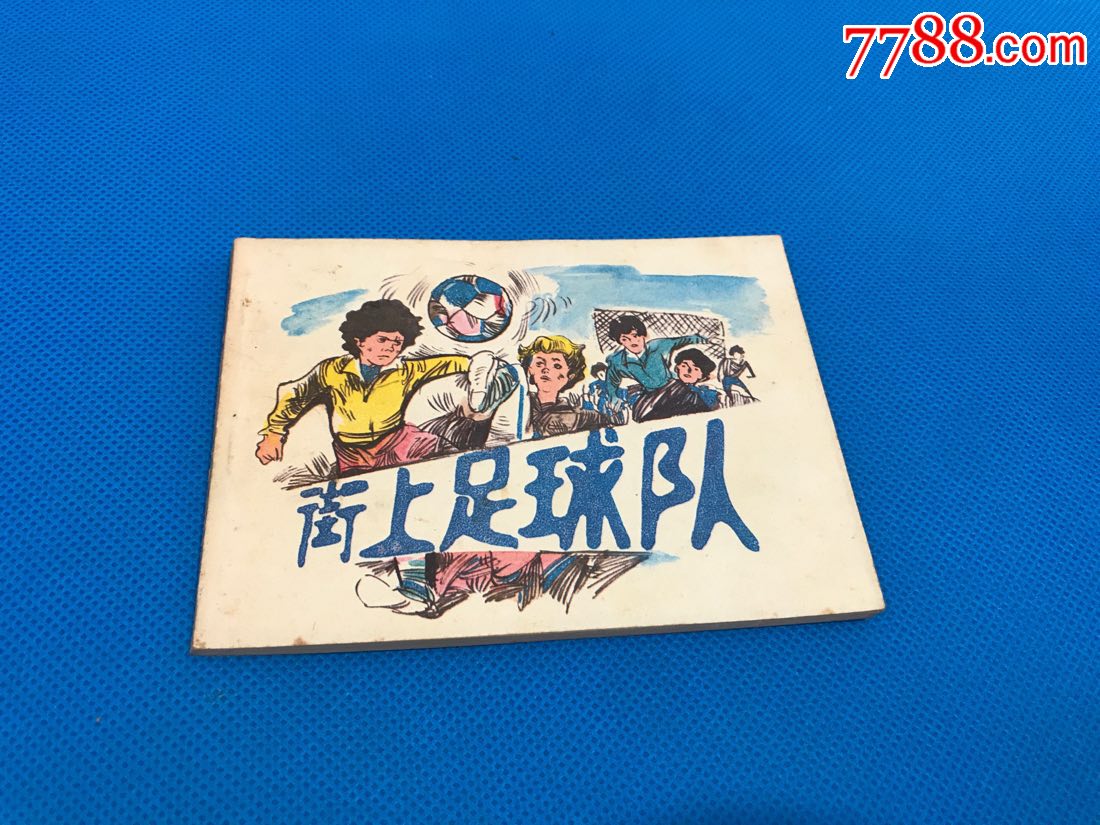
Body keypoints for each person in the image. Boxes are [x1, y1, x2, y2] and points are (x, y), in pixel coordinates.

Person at [255, 298, 503, 475]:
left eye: (397, 342)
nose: (390, 348)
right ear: (360, 341)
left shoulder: (406, 370)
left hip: (398, 440)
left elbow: (451, 363)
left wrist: (477, 364)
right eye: (382, 339)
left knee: (451, 459)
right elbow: (294, 394)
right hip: (352, 453)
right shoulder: (331, 370)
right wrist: (274, 434)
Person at [518, 335, 619, 437]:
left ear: (570, 375)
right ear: (530, 369)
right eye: (539, 364)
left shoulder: (581, 417)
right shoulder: (519, 403)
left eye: (557, 366)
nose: (546, 369)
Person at [603, 314, 707, 403]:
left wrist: (703, 340)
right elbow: (611, 382)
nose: (632, 342)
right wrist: (613, 397)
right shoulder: (618, 361)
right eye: (625, 339)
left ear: (643, 335)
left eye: (635, 336)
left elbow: (682, 340)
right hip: (651, 394)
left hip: (672, 386)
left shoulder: (658, 345)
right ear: (620, 341)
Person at [633, 348, 721, 423]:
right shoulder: (664, 385)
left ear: (701, 375)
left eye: (696, 369)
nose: (689, 371)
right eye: (684, 366)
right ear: (677, 368)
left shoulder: (697, 397)